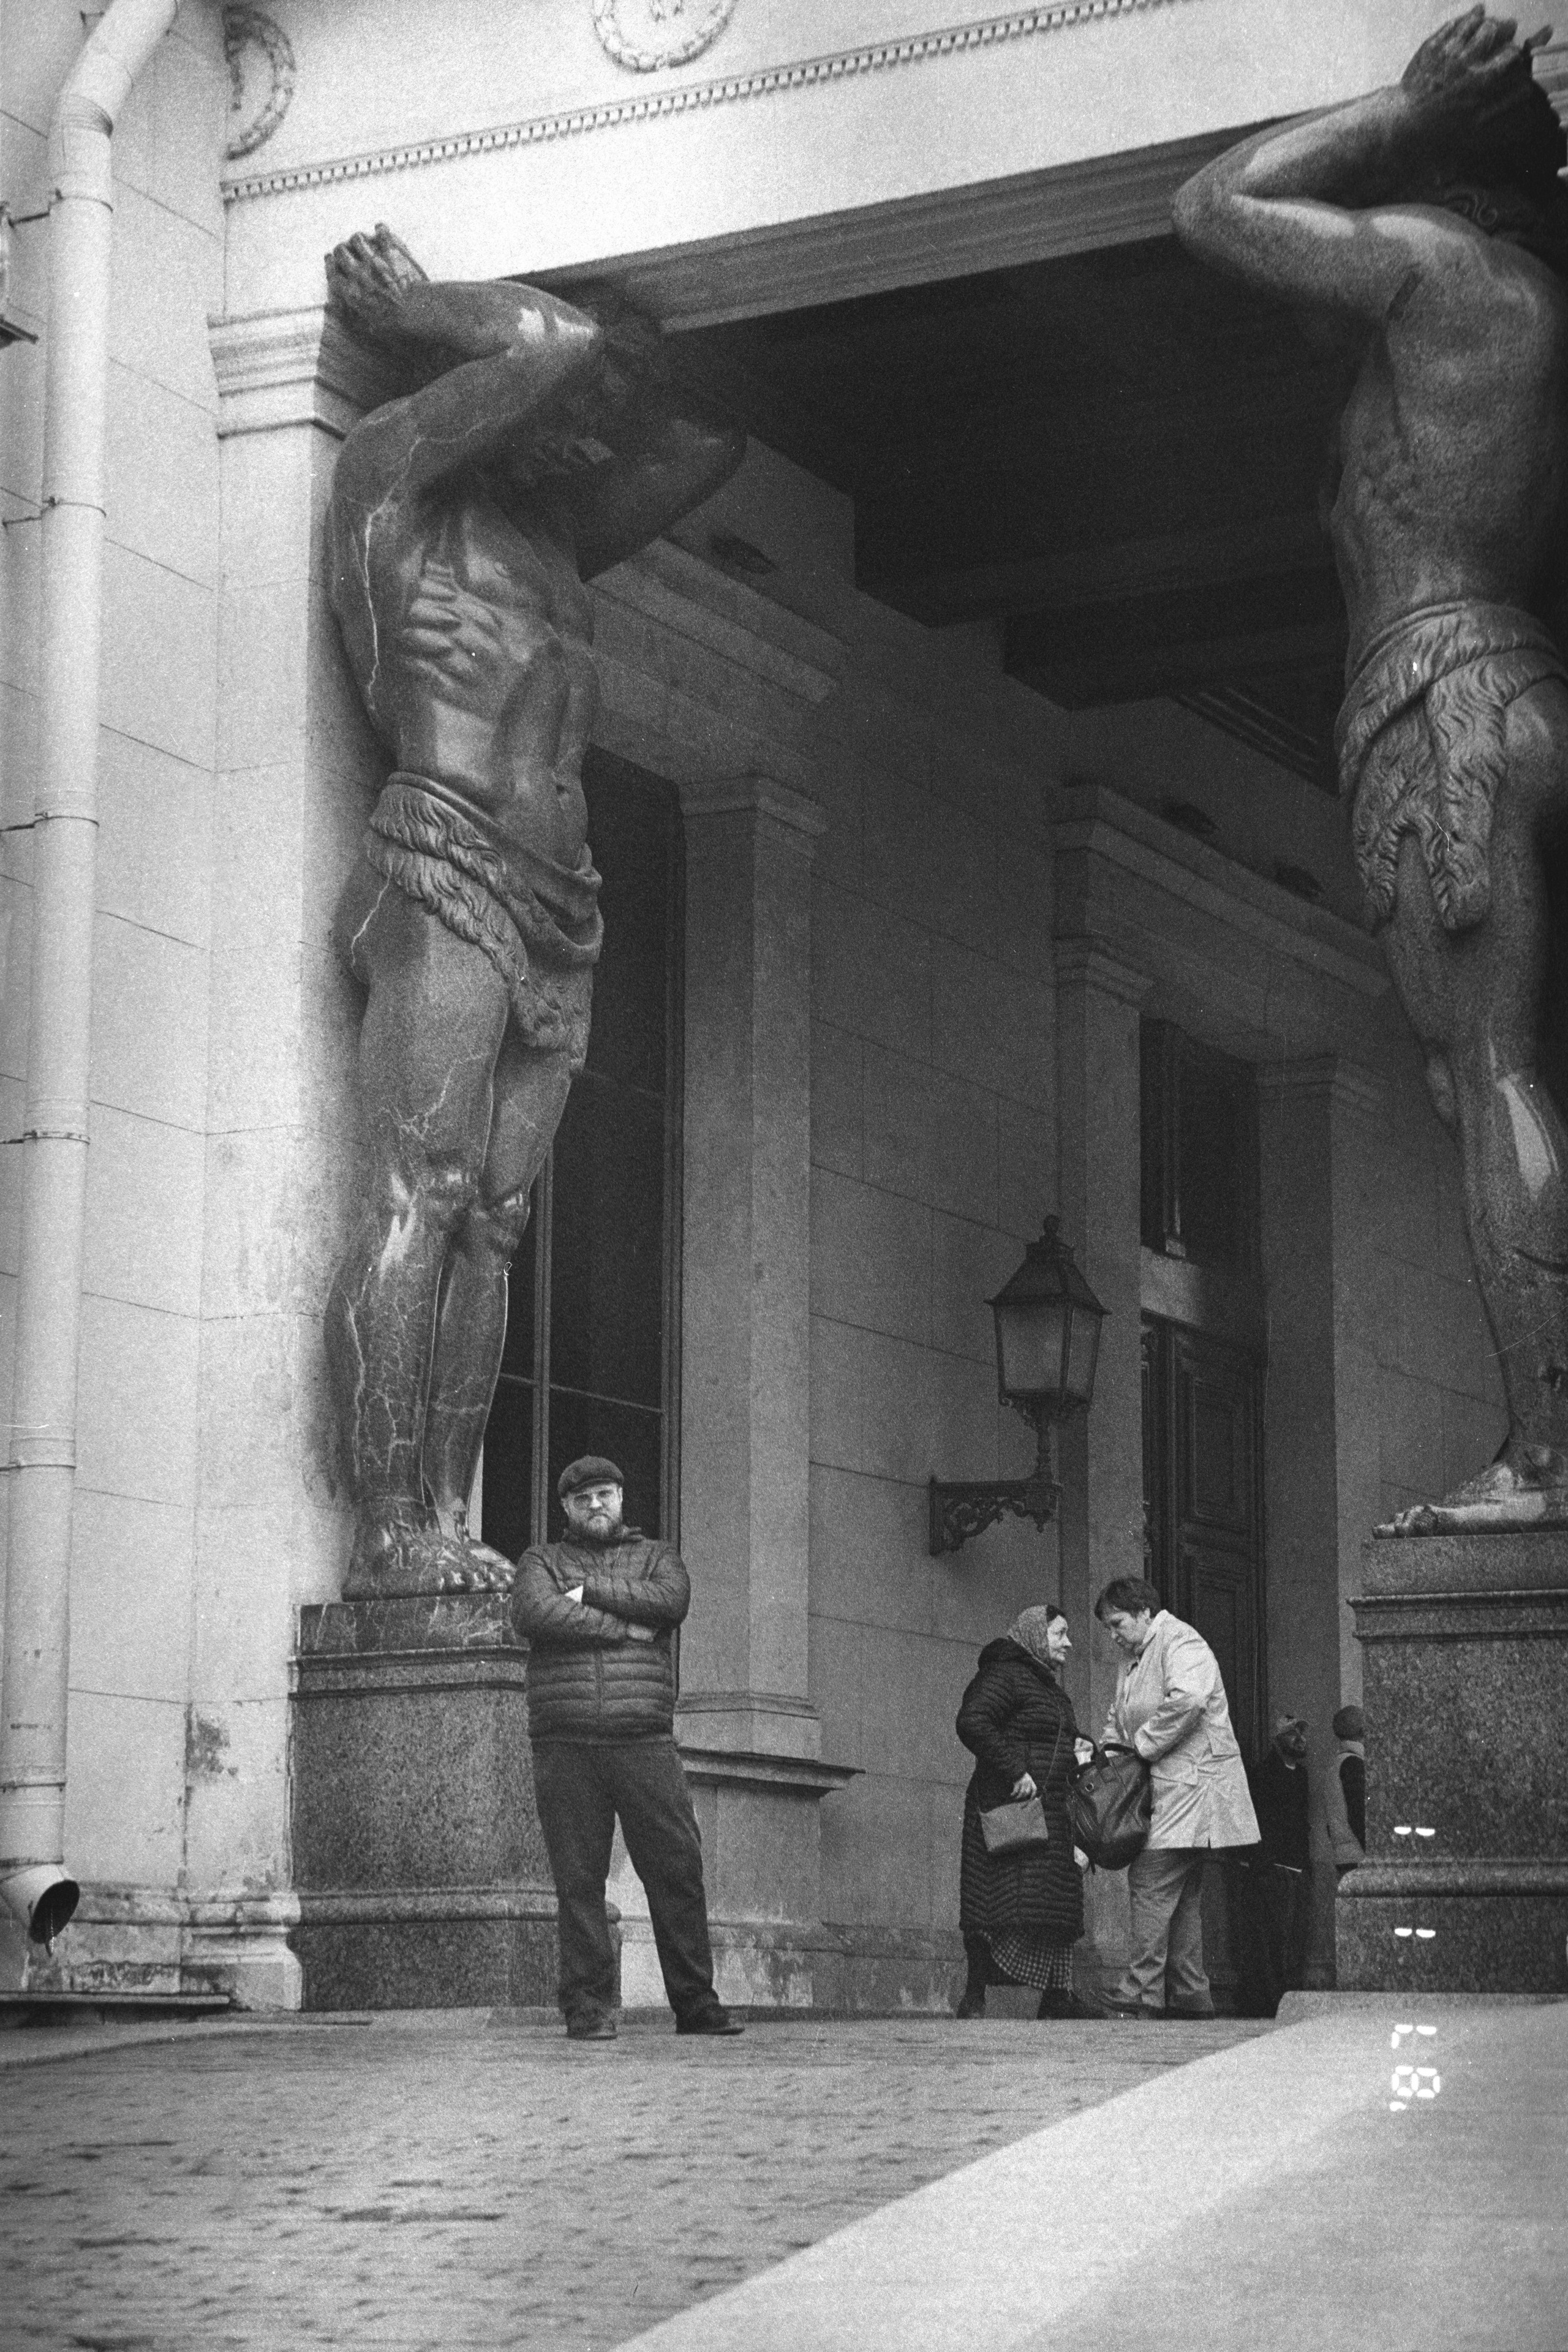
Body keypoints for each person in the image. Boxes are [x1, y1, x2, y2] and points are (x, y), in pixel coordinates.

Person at [1174, 12, 1568, 1533]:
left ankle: (1540, 1462)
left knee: (1487, 1077)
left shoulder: (1435, 266)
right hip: (1516, 671)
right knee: (1493, 1073)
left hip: (1435, 691)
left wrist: (1392, 112)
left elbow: (1211, 206)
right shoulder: (1537, 308)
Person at [323, 225, 745, 1595]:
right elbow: (546, 345)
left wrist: (611, 382)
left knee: (496, 1220)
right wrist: (428, 310)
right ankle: (388, 1530)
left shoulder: (559, 546)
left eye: (596, 425)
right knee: (421, 1190)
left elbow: (708, 447)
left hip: (561, 902)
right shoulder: (392, 483)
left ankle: (449, 1520)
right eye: (573, 422)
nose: (589, 445)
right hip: (443, 857)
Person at [508, 1455, 743, 2042]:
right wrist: (622, 1627)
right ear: (565, 1508)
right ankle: (587, 2008)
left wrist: (587, 1593)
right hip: (565, 1743)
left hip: (644, 1740)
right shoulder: (540, 1560)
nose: (595, 1506)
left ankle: (696, 2004)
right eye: (583, 1498)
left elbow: (670, 1602)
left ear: (621, 1499)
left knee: (677, 1874)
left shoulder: (660, 1556)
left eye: (605, 1494)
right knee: (578, 1882)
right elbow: (536, 1612)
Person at [1095, 1576, 1259, 2019]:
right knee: (1182, 1896)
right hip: (1175, 1790)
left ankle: (1141, 1991)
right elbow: (1119, 1718)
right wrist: (1112, 1755)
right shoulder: (1136, 1657)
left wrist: (1140, 1746)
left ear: (1145, 1612)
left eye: (1117, 1623)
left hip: (1190, 1787)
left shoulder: (1181, 1641)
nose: (1113, 1635)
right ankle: (1190, 1994)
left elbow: (1188, 1700)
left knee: (1149, 1883)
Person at [954, 1605, 1095, 2019]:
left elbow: (1046, 1735)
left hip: (1050, 1811)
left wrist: (1079, 1749)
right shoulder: (1005, 1674)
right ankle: (982, 1995)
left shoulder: (1046, 1684)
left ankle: (1057, 1995)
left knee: (1050, 1904)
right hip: (1012, 1809)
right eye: (1059, 1634)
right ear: (1035, 1635)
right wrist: (1014, 1769)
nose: (1068, 1642)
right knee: (1002, 1905)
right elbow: (973, 1721)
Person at [1234, 1713, 1311, 2017]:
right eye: (1293, 1733)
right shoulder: (1263, 1774)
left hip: (1295, 1866)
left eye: (1302, 1733)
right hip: (1274, 1866)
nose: (1300, 1739)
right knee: (1271, 1941)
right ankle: (1271, 2001)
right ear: (1278, 1739)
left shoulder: (1301, 1775)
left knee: (1290, 1940)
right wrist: (1263, 1862)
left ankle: (1282, 1999)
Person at [1322, 1703, 1368, 1875]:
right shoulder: (1354, 1764)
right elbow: (1359, 1813)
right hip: (1358, 1856)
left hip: (1344, 1855)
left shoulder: (1336, 1764)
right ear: (1362, 1731)